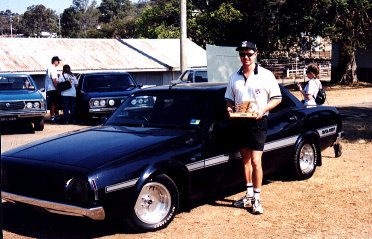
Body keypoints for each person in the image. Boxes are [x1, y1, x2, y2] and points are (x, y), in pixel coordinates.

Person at [225, 40, 282, 214]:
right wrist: (229, 108)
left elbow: (277, 98)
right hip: (240, 121)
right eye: (242, 54)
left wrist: (263, 109)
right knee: (245, 160)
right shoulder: (234, 76)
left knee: (256, 161)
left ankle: (257, 198)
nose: (246, 57)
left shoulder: (266, 75)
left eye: (249, 54)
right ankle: (248, 195)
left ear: (256, 54)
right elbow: (229, 98)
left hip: (258, 122)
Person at [45, 56, 61, 122]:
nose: (59, 63)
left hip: (49, 88)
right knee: (54, 103)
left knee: (54, 102)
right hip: (53, 88)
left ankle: (55, 116)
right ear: (55, 61)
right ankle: (53, 117)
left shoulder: (49, 67)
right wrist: (57, 88)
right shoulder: (53, 68)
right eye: (58, 61)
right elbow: (54, 79)